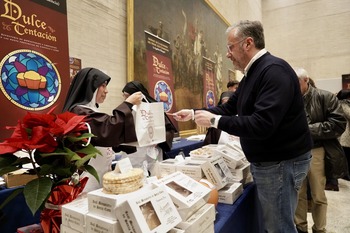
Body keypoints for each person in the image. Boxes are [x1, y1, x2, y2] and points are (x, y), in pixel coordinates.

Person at [173, 20, 312, 233]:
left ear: (248, 43)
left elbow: (262, 124)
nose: (228, 53)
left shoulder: (273, 71)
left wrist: (213, 121)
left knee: (279, 227)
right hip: (271, 163)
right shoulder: (252, 73)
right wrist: (194, 113)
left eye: (230, 47)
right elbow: (230, 108)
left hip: (280, 163)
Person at [62, 67, 143, 192]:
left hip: (100, 174)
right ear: (90, 87)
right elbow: (107, 129)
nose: (106, 91)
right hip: (87, 179)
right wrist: (127, 104)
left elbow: (101, 136)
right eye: (103, 86)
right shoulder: (78, 111)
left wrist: (122, 145)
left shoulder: (92, 110)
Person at [294, 67, 346, 233]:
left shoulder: (325, 97)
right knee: (297, 194)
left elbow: (338, 124)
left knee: (318, 195)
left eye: (296, 82)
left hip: (316, 151)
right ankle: (300, 227)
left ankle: (320, 229)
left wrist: (306, 129)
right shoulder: (289, 99)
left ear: (306, 80)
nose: (292, 86)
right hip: (294, 153)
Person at [113, 81, 176, 175]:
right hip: (133, 155)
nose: (126, 98)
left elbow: (169, 130)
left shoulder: (153, 109)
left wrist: (158, 139)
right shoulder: (126, 111)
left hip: (152, 154)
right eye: (124, 95)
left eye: (127, 95)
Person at [336, 89, 350, 181]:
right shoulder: (343, 105)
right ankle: (346, 174)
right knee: (347, 157)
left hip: (346, 136)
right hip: (345, 136)